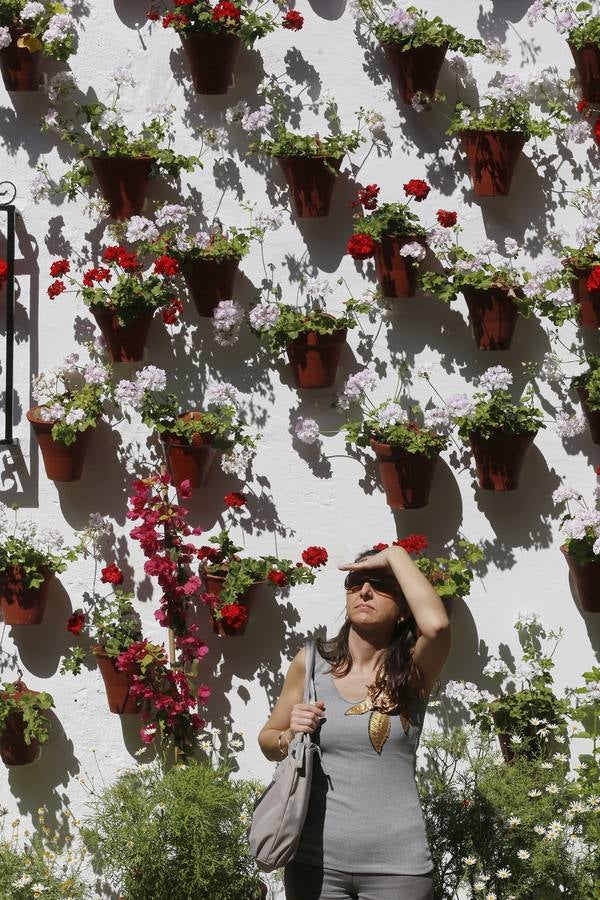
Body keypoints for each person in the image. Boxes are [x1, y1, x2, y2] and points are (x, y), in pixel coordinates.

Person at [257, 543, 451, 900]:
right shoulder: (311, 663)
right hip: (315, 867)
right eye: (356, 581)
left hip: (398, 869)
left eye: (381, 584)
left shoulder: (413, 670)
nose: (364, 591)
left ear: (404, 610)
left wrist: (395, 555)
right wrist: (289, 735)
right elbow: (268, 740)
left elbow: (437, 626)